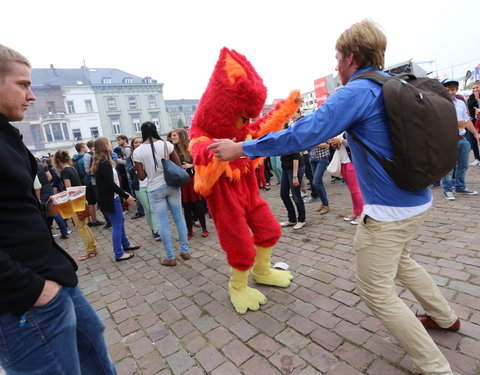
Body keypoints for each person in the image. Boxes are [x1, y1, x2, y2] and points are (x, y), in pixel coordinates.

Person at [208, 20, 461, 375]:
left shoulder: (356, 92)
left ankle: (435, 367)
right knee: (402, 261)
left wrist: (242, 148)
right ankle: (445, 318)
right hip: (417, 200)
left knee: (375, 291)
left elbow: (303, 133)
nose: (336, 66)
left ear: (351, 58)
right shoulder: (391, 84)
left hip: (388, 211)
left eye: (337, 58)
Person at [0, 43, 116, 374]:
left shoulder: (7, 134)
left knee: (93, 345)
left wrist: (44, 210)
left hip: (52, 276)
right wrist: (33, 290)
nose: (32, 95)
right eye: (22, 84)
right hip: (25, 298)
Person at [133, 122, 190, 266]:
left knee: (163, 224)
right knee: (179, 218)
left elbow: (141, 177)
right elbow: (177, 165)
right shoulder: (166, 145)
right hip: (171, 185)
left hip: (154, 188)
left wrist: (149, 169)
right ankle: (185, 251)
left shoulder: (138, 151)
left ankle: (170, 258)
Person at [92, 137, 139, 262]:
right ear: (104, 146)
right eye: (108, 143)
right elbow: (110, 184)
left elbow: (114, 182)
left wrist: (123, 193)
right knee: (117, 225)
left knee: (120, 221)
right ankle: (119, 253)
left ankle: (126, 244)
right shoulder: (104, 163)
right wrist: (126, 195)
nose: (111, 145)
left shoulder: (104, 161)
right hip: (110, 198)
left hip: (113, 196)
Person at [54, 150, 99, 261]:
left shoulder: (64, 171)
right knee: (85, 226)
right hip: (81, 199)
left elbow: (69, 189)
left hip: (74, 202)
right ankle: (93, 248)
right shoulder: (72, 168)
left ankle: (90, 251)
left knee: (81, 227)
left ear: (57, 160)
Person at [441, 78, 480, 200]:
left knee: (463, 165)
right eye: (447, 90)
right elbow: (437, 123)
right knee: (448, 166)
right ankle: (447, 190)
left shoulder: (461, 103)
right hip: (447, 139)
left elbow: (467, 120)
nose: (450, 92)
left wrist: (475, 133)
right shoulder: (440, 104)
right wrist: (454, 124)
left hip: (462, 138)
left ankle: (460, 187)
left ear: (456, 90)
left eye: (452, 89)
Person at [170, 128, 209, 239]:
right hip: (181, 182)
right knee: (186, 208)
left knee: (198, 206)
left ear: (181, 137)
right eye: (172, 136)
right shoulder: (172, 150)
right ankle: (189, 231)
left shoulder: (191, 148)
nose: (172, 138)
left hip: (191, 180)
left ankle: (204, 228)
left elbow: (202, 163)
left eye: (174, 136)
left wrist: (191, 166)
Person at [127, 136, 161, 240]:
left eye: (140, 142)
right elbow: (129, 170)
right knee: (147, 209)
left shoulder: (148, 154)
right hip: (139, 187)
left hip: (150, 184)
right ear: (133, 145)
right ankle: (154, 229)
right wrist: (137, 164)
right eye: (136, 142)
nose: (138, 144)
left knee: (152, 209)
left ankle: (156, 231)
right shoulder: (130, 158)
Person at [330, 133, 364, 224]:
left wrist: (340, 140)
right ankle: (356, 212)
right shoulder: (339, 131)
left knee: (356, 190)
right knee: (352, 190)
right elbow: (339, 148)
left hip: (351, 163)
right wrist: (335, 145)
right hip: (343, 162)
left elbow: (356, 144)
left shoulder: (350, 130)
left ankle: (362, 214)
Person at [278, 123, 306, 230]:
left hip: (296, 167)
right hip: (286, 168)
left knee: (296, 195)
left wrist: (295, 176)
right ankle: (292, 219)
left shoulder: (290, 137)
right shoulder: (280, 138)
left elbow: (296, 157)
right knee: (284, 194)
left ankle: (301, 219)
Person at [84, 139, 108, 228]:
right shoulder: (103, 152)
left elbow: (87, 171)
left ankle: (109, 220)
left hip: (94, 181)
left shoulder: (86, 155)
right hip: (103, 180)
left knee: (101, 201)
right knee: (107, 199)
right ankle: (111, 219)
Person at [466, 80, 480, 166]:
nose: (475, 89)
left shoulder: (477, 98)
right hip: (472, 122)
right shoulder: (471, 97)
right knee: (473, 140)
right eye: (473, 88)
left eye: (477, 87)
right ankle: (477, 158)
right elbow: (468, 108)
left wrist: (478, 98)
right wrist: (468, 116)